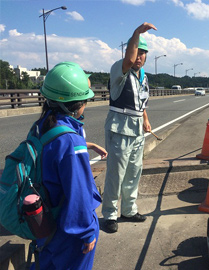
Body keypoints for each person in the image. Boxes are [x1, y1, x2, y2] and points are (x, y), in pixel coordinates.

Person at [32, 61, 105, 269]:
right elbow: (79, 193)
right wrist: (88, 231)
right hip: (68, 232)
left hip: (43, 224)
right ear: (78, 104)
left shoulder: (41, 127)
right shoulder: (72, 141)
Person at [102, 22, 157, 233]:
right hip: (120, 126)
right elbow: (129, 59)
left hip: (136, 128)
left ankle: (128, 209)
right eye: (138, 52)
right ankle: (109, 214)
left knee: (134, 171)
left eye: (144, 53)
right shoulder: (120, 69)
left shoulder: (144, 76)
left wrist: (145, 118)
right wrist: (136, 33)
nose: (140, 57)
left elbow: (141, 102)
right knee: (116, 173)